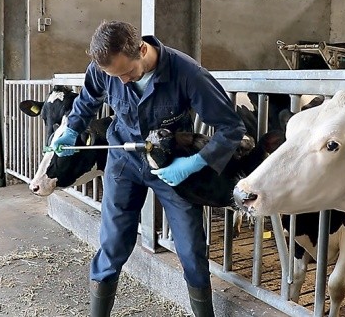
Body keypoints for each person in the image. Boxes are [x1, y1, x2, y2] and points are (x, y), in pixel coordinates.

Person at [52, 20, 246, 317]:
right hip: (124, 160)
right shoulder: (103, 69)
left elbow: (231, 128)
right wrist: (70, 130)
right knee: (113, 242)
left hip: (171, 163)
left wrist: (195, 162)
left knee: (191, 249)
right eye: (116, 77)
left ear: (142, 49)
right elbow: (87, 101)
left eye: (128, 72)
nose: (125, 81)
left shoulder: (188, 74)